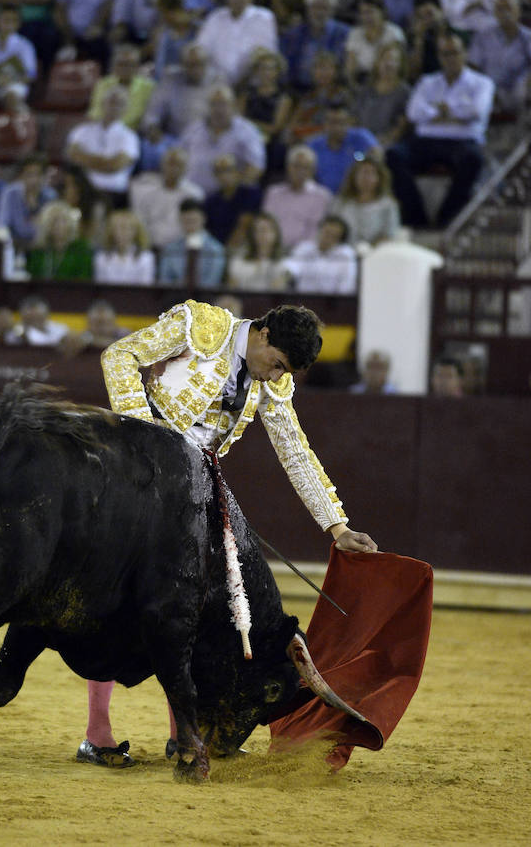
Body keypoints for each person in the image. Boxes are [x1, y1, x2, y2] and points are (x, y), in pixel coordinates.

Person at [77, 299, 378, 766]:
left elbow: (294, 449)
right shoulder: (200, 326)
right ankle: (98, 733)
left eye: (285, 373)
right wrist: (147, 439)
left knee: (191, 610)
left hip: (192, 489)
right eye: (276, 365)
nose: (276, 378)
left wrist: (336, 526)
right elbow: (119, 356)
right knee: (116, 601)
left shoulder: (273, 384)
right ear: (261, 335)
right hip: (134, 471)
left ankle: (182, 733)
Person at [386, 31, 495, 228]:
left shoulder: (482, 83)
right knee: (393, 155)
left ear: (464, 54)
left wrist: (438, 111)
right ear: (439, 56)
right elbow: (413, 113)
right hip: (426, 141)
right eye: (445, 54)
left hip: (462, 141)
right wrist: (456, 113)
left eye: (454, 52)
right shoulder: (428, 82)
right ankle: (415, 218)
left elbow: (477, 112)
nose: (450, 58)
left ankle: (447, 219)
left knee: (474, 159)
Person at [179, 83, 265, 196]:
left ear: (234, 106)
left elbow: (256, 167)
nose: (218, 109)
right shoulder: (193, 129)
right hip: (192, 195)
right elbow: (179, 158)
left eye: (223, 104)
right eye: (214, 104)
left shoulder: (247, 131)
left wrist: (233, 193)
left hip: (228, 198)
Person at [195, 0, 278, 86]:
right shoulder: (215, 17)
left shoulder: (264, 17)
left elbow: (268, 52)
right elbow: (201, 49)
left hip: (253, 83)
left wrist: (246, 78)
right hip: (217, 83)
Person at [66, 85, 140, 206]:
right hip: (82, 191)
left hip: (114, 194)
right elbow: (73, 157)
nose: (114, 107)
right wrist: (105, 163)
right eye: (111, 101)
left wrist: (87, 159)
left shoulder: (130, 136)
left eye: (119, 103)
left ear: (126, 109)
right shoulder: (81, 131)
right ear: (102, 104)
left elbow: (116, 165)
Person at [467, 0, 531, 115]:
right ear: (495, 13)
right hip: (488, 90)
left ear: (518, 11)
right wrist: (484, 89)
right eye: (500, 9)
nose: (505, 13)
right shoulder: (482, 36)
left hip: (518, 90)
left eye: (508, 8)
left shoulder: (528, 37)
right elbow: (473, 67)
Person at [280, 0, 350, 91]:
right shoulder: (293, 35)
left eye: (324, 8)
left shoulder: (344, 34)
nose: (319, 12)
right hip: (298, 90)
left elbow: (345, 67)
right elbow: (286, 68)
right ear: (308, 9)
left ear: (332, 10)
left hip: (333, 91)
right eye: (315, 7)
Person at [262, 144, 333, 252]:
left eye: (306, 167)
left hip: (305, 254)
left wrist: (299, 252)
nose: (300, 171)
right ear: (288, 167)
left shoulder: (322, 196)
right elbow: (267, 225)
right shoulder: (273, 193)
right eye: (296, 166)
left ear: (313, 170)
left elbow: (316, 231)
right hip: (273, 250)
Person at [130, 146, 204, 250]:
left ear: (186, 168)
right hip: (151, 246)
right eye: (171, 163)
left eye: (179, 164)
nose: (174, 168)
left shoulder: (194, 194)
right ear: (162, 165)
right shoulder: (147, 190)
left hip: (181, 251)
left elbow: (197, 227)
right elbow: (139, 220)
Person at [307, 99, 380, 195]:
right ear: (324, 123)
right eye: (332, 122)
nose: (336, 127)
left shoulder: (361, 137)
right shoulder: (314, 145)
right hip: (323, 198)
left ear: (349, 122)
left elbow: (378, 158)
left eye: (341, 122)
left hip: (355, 197)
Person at [351, 42, 411, 150]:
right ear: (377, 63)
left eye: (394, 60)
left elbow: (401, 126)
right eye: (384, 59)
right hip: (362, 139)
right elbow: (354, 119)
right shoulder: (366, 89)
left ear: (400, 65)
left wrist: (381, 143)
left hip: (388, 143)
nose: (388, 64)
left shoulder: (404, 92)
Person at [331, 156, 401, 247]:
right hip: (343, 252)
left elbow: (390, 233)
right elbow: (331, 227)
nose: (366, 178)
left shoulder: (388, 205)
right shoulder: (340, 202)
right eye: (362, 173)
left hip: (376, 252)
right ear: (353, 176)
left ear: (379, 178)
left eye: (371, 173)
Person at [158, 196, 225, 287]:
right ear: (180, 219)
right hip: (174, 298)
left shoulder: (215, 249)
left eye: (193, 221)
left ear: (203, 219)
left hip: (206, 299)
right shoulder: (170, 249)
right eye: (186, 221)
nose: (190, 225)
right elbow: (165, 281)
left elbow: (212, 282)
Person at [283, 214, 358, 295]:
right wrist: (283, 277)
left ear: (340, 238)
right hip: (302, 300)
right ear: (320, 231)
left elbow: (347, 286)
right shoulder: (304, 248)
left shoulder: (346, 254)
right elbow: (291, 268)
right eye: (326, 233)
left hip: (332, 302)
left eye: (333, 236)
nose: (328, 238)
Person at [88, 42, 155, 132]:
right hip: (103, 131)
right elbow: (95, 113)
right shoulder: (103, 84)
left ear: (137, 66)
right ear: (113, 66)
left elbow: (148, 118)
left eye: (130, 64)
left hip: (134, 133)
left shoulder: (148, 87)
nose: (125, 68)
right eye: (121, 64)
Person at [344, 0, 406, 88]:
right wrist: (352, 86)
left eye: (370, 12)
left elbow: (398, 64)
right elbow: (350, 66)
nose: (366, 17)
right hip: (362, 80)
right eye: (363, 13)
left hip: (388, 78)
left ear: (381, 12)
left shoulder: (394, 33)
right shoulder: (355, 34)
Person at [0, 153, 57, 249]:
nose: (34, 180)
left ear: (44, 176)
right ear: (22, 175)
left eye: (38, 174)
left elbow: (51, 229)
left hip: (41, 247)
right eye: (29, 174)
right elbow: (2, 224)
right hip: (14, 246)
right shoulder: (10, 193)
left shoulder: (50, 196)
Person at [288, 50, 350, 142]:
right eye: (320, 68)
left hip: (333, 138)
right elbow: (294, 122)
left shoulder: (342, 95)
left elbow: (346, 123)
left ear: (335, 72)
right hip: (307, 137)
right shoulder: (308, 97)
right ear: (312, 72)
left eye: (328, 68)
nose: (323, 73)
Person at [203, 153, 261, 249]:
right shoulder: (210, 200)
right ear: (215, 175)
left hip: (243, 247)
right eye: (219, 171)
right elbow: (206, 229)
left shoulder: (250, 193)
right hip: (215, 248)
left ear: (237, 172)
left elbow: (244, 226)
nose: (224, 175)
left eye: (228, 170)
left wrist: (228, 251)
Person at [26, 200, 93, 280]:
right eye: (54, 221)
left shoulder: (81, 249)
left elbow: (85, 278)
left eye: (63, 220)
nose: (59, 225)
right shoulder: (39, 251)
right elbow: (33, 279)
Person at [226, 211, 289, 291]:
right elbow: (232, 290)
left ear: (276, 233)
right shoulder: (238, 261)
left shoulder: (284, 263)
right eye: (260, 230)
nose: (264, 234)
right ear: (252, 234)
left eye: (268, 229)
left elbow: (278, 292)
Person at [94, 209, 155, 285]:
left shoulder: (146, 258)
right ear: (111, 232)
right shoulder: (101, 258)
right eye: (118, 229)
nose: (123, 233)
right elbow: (100, 289)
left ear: (136, 232)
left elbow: (146, 290)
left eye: (128, 229)